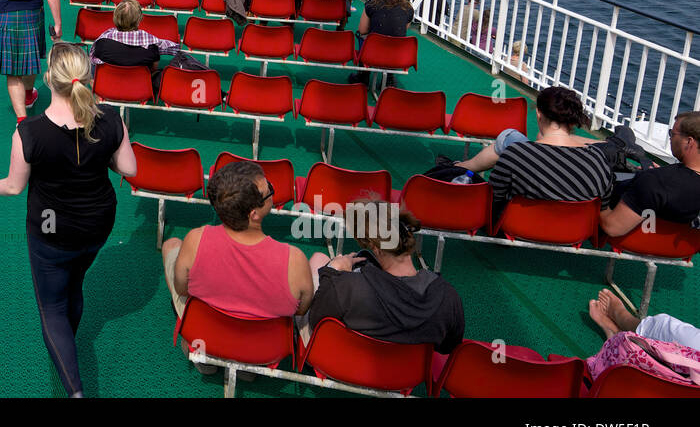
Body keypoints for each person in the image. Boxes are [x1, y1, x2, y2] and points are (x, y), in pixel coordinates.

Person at [0, 42, 137, 398]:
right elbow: (129, 168)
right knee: (76, 282)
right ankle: (68, 343)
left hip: (51, 230)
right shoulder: (110, 119)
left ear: (49, 80)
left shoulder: (29, 132)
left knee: (51, 306)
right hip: (97, 223)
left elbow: (15, 186)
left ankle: (75, 391)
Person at [163, 160, 314, 328]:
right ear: (254, 214)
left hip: (205, 336)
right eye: (268, 190)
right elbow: (301, 310)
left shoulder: (195, 239)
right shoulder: (295, 260)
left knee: (171, 244)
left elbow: (182, 289)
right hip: (267, 350)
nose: (271, 191)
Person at [306, 204, 464, 353]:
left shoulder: (346, 287)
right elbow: (448, 347)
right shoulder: (448, 297)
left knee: (318, 260)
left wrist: (332, 270)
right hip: (406, 377)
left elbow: (316, 321)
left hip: (344, 366)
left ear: (376, 248)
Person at [452, 87, 615, 218]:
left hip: (516, 225)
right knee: (513, 137)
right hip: (574, 232)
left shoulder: (516, 154)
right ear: (573, 120)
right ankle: (461, 166)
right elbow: (603, 208)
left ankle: (459, 168)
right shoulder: (598, 160)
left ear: (538, 113)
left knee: (511, 137)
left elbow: (493, 197)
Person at [599, 111, 700, 237]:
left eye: (672, 134)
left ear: (689, 142)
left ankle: (616, 145)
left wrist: (601, 199)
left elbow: (612, 228)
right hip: (683, 249)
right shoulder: (662, 179)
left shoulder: (656, 182)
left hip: (639, 238)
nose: (670, 138)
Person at [90, 0, 177, 92]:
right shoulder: (152, 46)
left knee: (92, 64)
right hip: (138, 90)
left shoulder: (101, 44)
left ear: (115, 18)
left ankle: (99, 97)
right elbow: (153, 69)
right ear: (139, 20)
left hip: (109, 86)